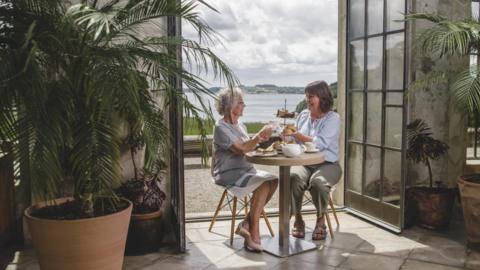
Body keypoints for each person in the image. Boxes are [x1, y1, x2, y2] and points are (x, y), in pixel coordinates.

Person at [212, 87, 278, 252]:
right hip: (228, 173)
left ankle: (246, 223)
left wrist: (266, 138)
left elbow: (250, 147)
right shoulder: (221, 128)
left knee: (273, 180)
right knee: (263, 184)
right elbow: (241, 148)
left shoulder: (240, 125)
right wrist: (258, 136)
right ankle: (254, 229)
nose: (244, 105)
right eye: (240, 102)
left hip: (245, 170)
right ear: (229, 106)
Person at [289, 80, 342, 240]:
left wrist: (299, 136)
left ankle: (321, 221)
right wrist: (290, 138)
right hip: (304, 163)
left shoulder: (333, 118)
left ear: (322, 97)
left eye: (311, 96)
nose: (307, 100)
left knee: (318, 183)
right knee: (292, 177)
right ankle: (298, 219)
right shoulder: (304, 115)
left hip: (328, 164)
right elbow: (296, 140)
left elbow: (321, 143)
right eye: (306, 96)